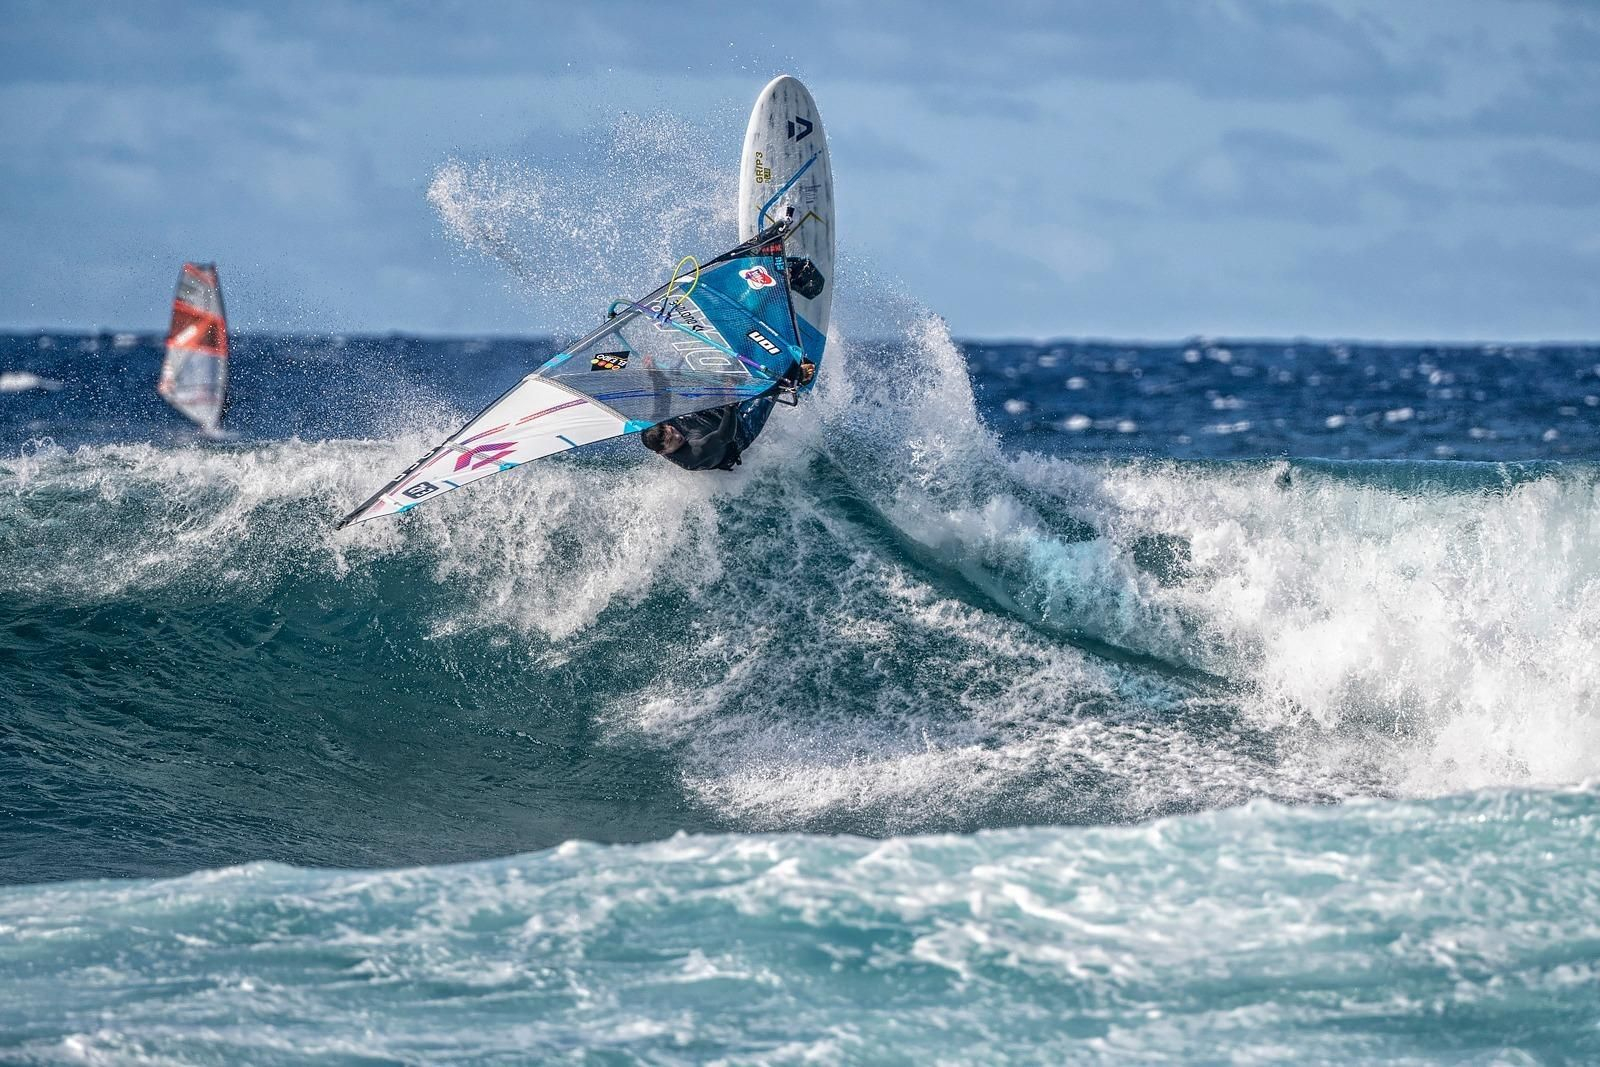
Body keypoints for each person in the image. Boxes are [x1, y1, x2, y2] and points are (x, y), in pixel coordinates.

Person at [641, 359, 814, 470]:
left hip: (710, 414)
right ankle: (798, 375)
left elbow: (663, 393)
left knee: (732, 369)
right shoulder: (693, 455)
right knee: (773, 387)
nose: (677, 436)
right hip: (739, 433)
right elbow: (724, 435)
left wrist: (653, 372)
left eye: (672, 431)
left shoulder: (656, 426)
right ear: (662, 452)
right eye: (671, 441)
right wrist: (730, 402)